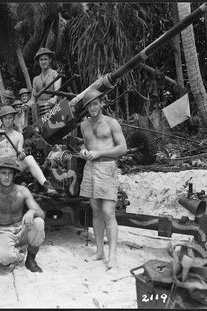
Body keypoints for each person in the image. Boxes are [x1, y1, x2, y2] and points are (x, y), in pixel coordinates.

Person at [79, 89, 127, 270]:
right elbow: (85, 143)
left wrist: (101, 152)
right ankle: (99, 251)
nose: (92, 108)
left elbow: (123, 148)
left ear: (101, 103)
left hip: (107, 167)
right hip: (90, 168)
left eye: (95, 103)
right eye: (89, 105)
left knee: (108, 211)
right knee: (96, 210)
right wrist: (83, 151)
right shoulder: (84, 125)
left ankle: (112, 256)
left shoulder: (111, 123)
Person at [0, 106, 57, 195]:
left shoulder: (19, 136)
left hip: (13, 164)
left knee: (29, 158)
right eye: (5, 118)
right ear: (1, 119)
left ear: (13, 119)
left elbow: (19, 153)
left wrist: (21, 154)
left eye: (10, 118)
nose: (8, 120)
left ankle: (46, 185)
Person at [27, 48, 62, 120]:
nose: (43, 62)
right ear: (38, 62)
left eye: (45, 59)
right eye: (41, 60)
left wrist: (54, 98)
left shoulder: (54, 74)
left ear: (50, 60)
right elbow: (33, 99)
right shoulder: (35, 79)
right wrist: (26, 105)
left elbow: (57, 92)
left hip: (51, 109)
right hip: (38, 111)